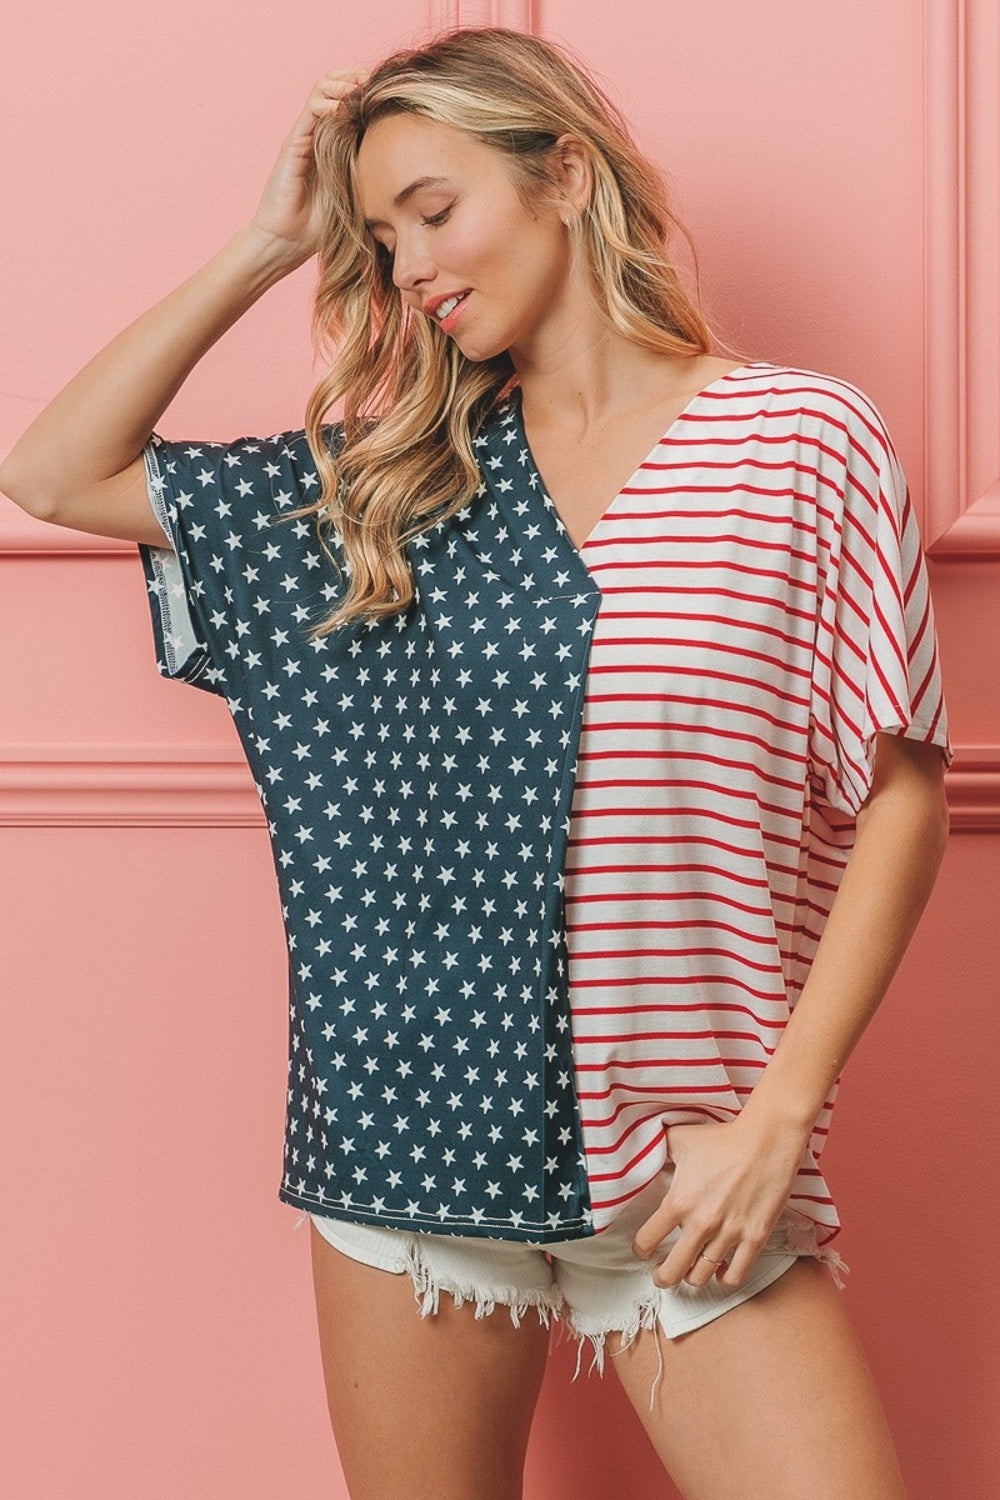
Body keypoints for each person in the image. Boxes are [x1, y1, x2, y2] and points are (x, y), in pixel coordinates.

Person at [1, 26, 951, 1500]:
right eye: (379, 243)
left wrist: (780, 1121)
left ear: (565, 174)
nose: (411, 269)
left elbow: (900, 792)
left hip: (686, 1167)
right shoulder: (402, 484)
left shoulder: (796, 442)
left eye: (435, 212)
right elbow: (54, 472)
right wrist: (269, 240)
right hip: (411, 1144)